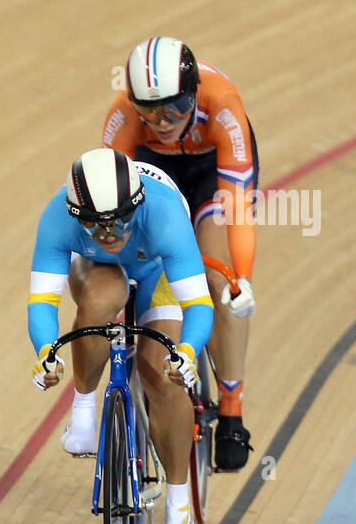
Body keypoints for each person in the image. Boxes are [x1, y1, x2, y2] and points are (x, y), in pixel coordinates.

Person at [29, 149, 214, 524]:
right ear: (75, 214)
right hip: (99, 269)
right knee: (97, 302)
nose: (109, 233)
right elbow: (42, 301)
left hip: (158, 268)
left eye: (119, 220)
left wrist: (185, 351)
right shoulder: (57, 218)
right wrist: (45, 350)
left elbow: (199, 304)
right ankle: (82, 411)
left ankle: (178, 507)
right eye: (94, 224)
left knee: (160, 374)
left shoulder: (165, 215)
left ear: (138, 203)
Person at [102, 36, 258, 470]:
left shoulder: (222, 105)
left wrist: (239, 277)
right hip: (154, 170)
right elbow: (108, 203)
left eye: (173, 109)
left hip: (212, 173)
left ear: (193, 96)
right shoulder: (123, 118)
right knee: (138, 259)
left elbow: (237, 208)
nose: (163, 121)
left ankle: (231, 408)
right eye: (149, 111)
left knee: (215, 276)